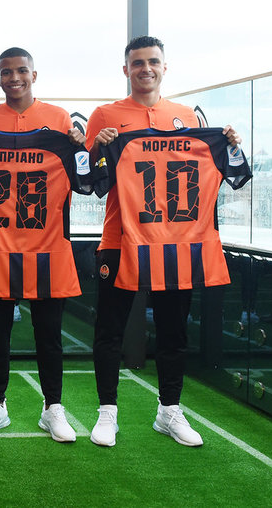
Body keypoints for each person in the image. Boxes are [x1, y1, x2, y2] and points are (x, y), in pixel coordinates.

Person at [86, 35, 242, 448]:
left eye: (152, 61)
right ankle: (107, 412)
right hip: (120, 238)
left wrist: (227, 144)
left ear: (164, 67)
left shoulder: (185, 116)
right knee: (110, 330)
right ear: (126, 70)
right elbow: (91, 180)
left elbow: (209, 172)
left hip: (174, 242)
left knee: (174, 330)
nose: (146, 69)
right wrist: (98, 148)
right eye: (137, 63)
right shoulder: (105, 115)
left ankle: (169, 409)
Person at [0, 47, 89, 441]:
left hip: (46, 243)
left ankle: (53, 406)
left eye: (21, 70)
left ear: (34, 74)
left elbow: (83, 180)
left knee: (49, 332)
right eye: (7, 72)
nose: (15, 78)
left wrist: (79, 146)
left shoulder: (59, 120)